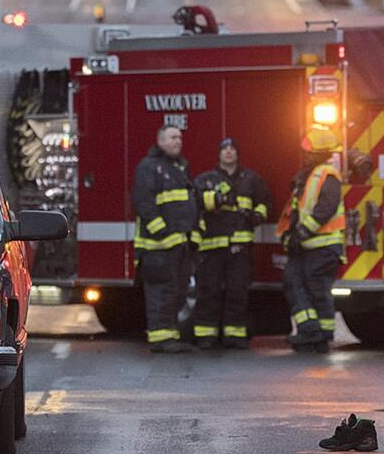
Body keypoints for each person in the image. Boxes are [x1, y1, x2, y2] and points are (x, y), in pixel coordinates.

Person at [192, 137, 272, 349]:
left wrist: (257, 215)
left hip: (241, 246)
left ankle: (234, 335)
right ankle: (206, 335)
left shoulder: (251, 179)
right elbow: (195, 201)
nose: (228, 152)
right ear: (218, 154)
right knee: (209, 291)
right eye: (224, 149)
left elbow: (265, 202)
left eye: (232, 149)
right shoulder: (206, 179)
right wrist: (216, 199)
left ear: (238, 154)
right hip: (212, 246)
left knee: (238, 291)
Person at [277, 129, 346, 353]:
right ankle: (311, 331)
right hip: (310, 246)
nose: (304, 155)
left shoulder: (327, 175)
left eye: (309, 152)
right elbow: (296, 209)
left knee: (317, 289)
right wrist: (290, 233)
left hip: (323, 246)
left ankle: (321, 336)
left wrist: (303, 232)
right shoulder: (307, 176)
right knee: (295, 282)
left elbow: (325, 209)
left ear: (320, 153)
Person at [133, 125, 199, 353]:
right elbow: (143, 202)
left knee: (176, 290)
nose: (177, 141)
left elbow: (187, 204)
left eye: (179, 137)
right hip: (156, 247)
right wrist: (161, 231)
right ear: (160, 141)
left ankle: (169, 335)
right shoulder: (149, 167)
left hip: (178, 245)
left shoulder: (178, 167)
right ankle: (160, 338)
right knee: (161, 292)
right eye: (172, 137)